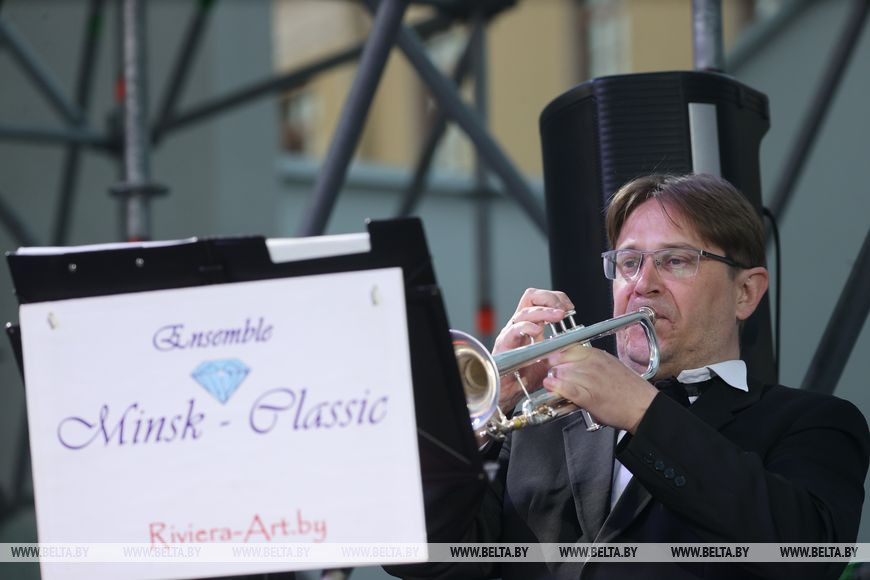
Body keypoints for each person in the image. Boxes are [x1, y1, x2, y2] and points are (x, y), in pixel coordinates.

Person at [390, 173, 870, 579]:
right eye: (629, 262)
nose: (643, 284)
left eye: (675, 260)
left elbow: (805, 556)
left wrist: (643, 412)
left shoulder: (815, 423)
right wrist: (485, 410)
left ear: (745, 292)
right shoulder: (535, 426)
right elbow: (418, 559)